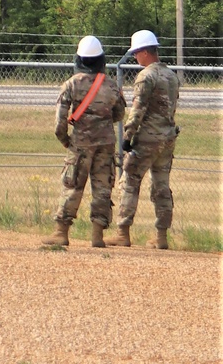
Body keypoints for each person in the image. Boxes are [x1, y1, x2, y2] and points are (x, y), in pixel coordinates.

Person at [41, 35, 124, 249]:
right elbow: (119, 113)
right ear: (101, 59)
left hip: (80, 143)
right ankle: (97, 236)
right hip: (106, 142)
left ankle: (61, 232)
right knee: (103, 187)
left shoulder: (71, 84)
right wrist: (101, 122)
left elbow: (60, 121)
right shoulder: (112, 85)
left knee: (72, 185)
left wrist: (66, 140)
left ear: (78, 59)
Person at [107, 29, 180, 250]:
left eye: (137, 53)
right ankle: (161, 236)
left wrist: (128, 136)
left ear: (145, 52)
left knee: (129, 182)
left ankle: (122, 232)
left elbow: (137, 110)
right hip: (167, 138)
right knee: (162, 187)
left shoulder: (146, 76)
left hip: (146, 139)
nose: (136, 58)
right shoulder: (171, 75)